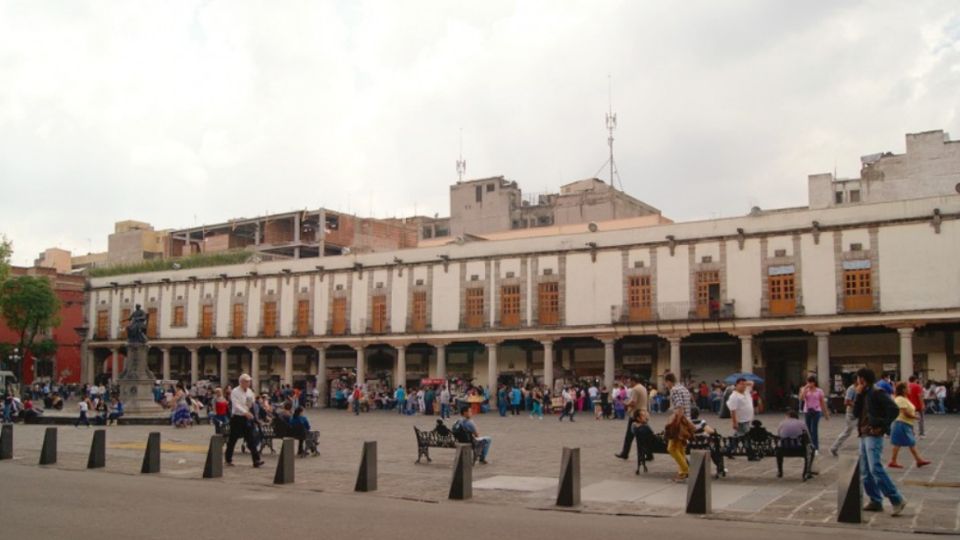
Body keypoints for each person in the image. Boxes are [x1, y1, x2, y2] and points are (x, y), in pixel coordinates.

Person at [853, 368, 906, 516]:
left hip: (873, 434)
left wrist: (882, 425)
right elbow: (855, 413)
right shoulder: (863, 394)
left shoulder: (877, 392)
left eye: (858, 379)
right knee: (865, 471)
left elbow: (894, 409)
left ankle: (897, 499)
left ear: (862, 379)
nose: (857, 382)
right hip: (863, 433)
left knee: (875, 468)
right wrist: (857, 395)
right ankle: (875, 500)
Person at [888, 382, 931, 469]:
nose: (909, 389)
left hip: (905, 423)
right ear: (903, 390)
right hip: (901, 423)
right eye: (908, 388)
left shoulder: (905, 398)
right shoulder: (900, 399)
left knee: (903, 443)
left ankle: (917, 460)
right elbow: (904, 412)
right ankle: (917, 460)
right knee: (908, 442)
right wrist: (915, 417)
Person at [225, 374, 264, 468]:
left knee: (251, 439)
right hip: (237, 418)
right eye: (246, 381)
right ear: (241, 382)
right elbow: (236, 405)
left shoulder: (250, 392)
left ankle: (256, 460)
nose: (248, 383)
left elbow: (251, 403)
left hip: (247, 418)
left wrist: (253, 414)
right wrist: (245, 412)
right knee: (232, 439)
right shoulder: (235, 391)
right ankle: (228, 459)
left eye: (249, 381)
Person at [615, 375, 649, 460]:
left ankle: (625, 453)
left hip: (636, 414)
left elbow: (633, 402)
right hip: (643, 413)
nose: (629, 383)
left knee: (629, 436)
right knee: (643, 435)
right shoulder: (643, 388)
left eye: (630, 381)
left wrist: (625, 404)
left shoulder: (635, 389)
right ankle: (648, 454)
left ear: (634, 381)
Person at [664, 405, 695, 482]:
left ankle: (685, 470)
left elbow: (671, 425)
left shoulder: (676, 416)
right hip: (681, 437)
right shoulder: (682, 417)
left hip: (676, 436)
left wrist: (678, 415)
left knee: (672, 449)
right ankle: (683, 473)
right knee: (681, 452)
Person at [799, 376, 829, 451]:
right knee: (808, 430)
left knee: (814, 429)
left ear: (814, 383)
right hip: (807, 411)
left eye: (811, 382)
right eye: (808, 382)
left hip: (816, 411)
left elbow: (822, 402)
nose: (809, 384)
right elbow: (801, 398)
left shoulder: (819, 391)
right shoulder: (805, 390)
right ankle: (809, 446)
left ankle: (815, 447)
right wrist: (805, 389)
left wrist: (826, 413)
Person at [725, 378, 754, 455]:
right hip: (741, 420)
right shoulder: (734, 396)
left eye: (744, 384)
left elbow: (751, 383)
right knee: (747, 437)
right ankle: (751, 454)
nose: (743, 386)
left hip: (747, 419)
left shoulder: (746, 391)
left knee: (737, 437)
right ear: (736, 385)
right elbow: (732, 410)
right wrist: (734, 422)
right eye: (741, 384)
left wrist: (745, 383)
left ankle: (728, 451)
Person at [830, 381, 859, 456]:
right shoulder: (852, 389)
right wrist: (857, 405)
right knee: (847, 432)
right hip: (851, 414)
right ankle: (834, 447)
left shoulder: (860, 388)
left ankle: (863, 450)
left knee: (862, 431)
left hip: (859, 413)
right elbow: (846, 402)